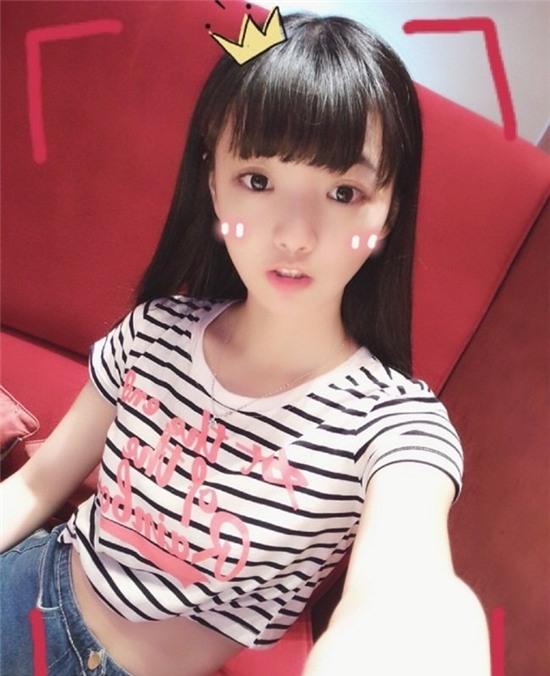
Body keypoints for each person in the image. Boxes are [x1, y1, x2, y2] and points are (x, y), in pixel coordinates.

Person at [0, 11, 464, 676]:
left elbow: (406, 594)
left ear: (390, 210)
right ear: (213, 182)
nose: (295, 235)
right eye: (258, 180)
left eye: (344, 192)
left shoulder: (391, 423)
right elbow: (35, 485)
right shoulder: (155, 331)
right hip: (26, 586)